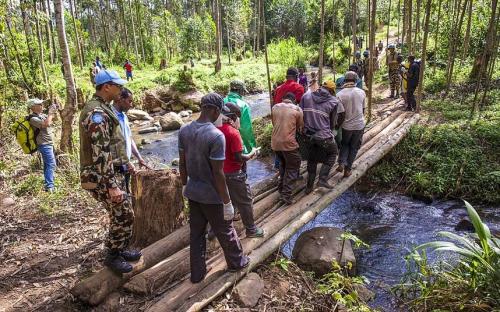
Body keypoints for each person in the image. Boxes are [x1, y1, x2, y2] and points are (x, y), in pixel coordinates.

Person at [179, 93, 249, 283]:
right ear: (216, 110)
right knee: (225, 229)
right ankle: (237, 262)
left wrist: (185, 185)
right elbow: (218, 173)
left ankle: (197, 273)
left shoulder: (184, 130)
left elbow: (182, 164)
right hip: (212, 195)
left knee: (196, 234)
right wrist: (227, 202)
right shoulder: (216, 135)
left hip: (193, 192)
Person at [79, 69, 140, 274]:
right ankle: (112, 256)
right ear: (107, 87)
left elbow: (113, 145)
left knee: (121, 212)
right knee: (123, 213)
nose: (121, 88)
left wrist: (125, 163)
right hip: (101, 176)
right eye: (118, 85)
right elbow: (101, 152)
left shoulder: (104, 108)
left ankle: (120, 249)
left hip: (111, 171)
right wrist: (112, 186)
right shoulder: (97, 113)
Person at [217, 102, 264, 237]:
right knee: (245, 202)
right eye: (238, 117)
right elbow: (239, 157)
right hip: (234, 174)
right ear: (232, 117)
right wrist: (251, 154)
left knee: (224, 200)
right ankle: (251, 230)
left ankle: (215, 231)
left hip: (218, 173)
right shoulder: (233, 132)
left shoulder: (214, 129)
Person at [300, 80, 345, 194]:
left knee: (312, 159)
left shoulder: (306, 96)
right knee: (333, 153)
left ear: (321, 87)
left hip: (308, 134)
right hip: (323, 135)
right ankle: (322, 179)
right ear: (331, 91)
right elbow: (332, 123)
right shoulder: (333, 101)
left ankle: (309, 187)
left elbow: (300, 114)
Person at [111, 88, 152, 192]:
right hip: (116, 165)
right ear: (120, 99)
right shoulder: (110, 117)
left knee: (127, 193)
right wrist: (127, 162)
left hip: (126, 163)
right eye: (129, 101)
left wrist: (139, 158)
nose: (131, 104)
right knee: (119, 195)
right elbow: (113, 146)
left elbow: (129, 138)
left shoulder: (124, 116)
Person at [271, 92, 304, 204]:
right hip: (288, 143)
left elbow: (274, 123)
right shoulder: (297, 110)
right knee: (294, 165)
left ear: (283, 99)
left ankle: (281, 188)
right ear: (294, 100)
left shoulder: (275, 107)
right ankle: (286, 195)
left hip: (275, 142)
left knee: (283, 164)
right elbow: (299, 127)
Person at [336, 71, 366, 178]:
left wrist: (337, 126)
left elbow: (341, 114)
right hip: (359, 125)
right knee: (354, 147)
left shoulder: (339, 94)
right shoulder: (361, 92)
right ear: (356, 80)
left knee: (345, 144)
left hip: (346, 126)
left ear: (345, 80)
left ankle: (341, 163)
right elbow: (363, 110)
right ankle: (347, 170)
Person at [28, 98, 57, 192]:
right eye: (39, 104)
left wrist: (54, 111)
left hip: (48, 143)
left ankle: (48, 185)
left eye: (41, 104)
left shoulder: (41, 115)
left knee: (47, 165)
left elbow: (53, 120)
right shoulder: (32, 118)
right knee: (51, 164)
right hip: (44, 144)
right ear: (32, 107)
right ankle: (50, 187)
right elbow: (46, 124)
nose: (41, 105)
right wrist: (50, 113)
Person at [224, 80, 257, 155]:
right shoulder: (243, 105)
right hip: (237, 143)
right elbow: (246, 129)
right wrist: (252, 147)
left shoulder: (221, 101)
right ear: (240, 90)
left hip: (221, 142)